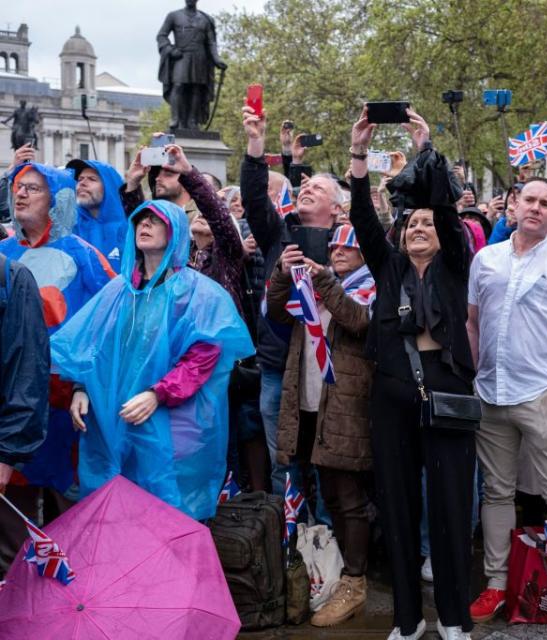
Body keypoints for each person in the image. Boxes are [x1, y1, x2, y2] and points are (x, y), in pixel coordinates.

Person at [350, 106, 475, 640]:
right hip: (394, 395)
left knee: (449, 509)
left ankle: (452, 615)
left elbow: (445, 207)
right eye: (412, 224)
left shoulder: (455, 265)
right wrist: (358, 153)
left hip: (447, 391)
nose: (420, 228)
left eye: (427, 224)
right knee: (398, 507)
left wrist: (425, 147)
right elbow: (360, 217)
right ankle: (407, 618)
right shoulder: (389, 266)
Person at [50, 200, 253, 520]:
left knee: (164, 507)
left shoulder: (198, 293)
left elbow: (201, 358)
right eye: (139, 220)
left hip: (172, 420)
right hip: (115, 417)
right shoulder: (118, 291)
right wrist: (82, 387)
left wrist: (157, 393)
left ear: (174, 232)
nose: (144, 225)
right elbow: (94, 345)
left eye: (154, 221)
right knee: (114, 506)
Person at [467, 173, 547, 636]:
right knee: (496, 492)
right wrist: (476, 374)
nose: (537, 208)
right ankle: (498, 581)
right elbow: (472, 322)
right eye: (531, 200)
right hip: (491, 394)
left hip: (542, 394)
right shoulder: (485, 259)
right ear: (514, 206)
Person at [265, 225, 376, 628]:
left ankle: (355, 582)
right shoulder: (313, 282)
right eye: (334, 244)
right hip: (310, 403)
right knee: (325, 492)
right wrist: (282, 272)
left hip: (345, 406)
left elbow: (359, 320)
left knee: (348, 498)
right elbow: (275, 310)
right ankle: (334, 572)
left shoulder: (370, 284)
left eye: (350, 243)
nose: (339, 249)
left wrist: (325, 279)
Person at [241, 104, 342, 496]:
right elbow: (252, 198)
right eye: (304, 186)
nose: (306, 190)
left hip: (327, 370)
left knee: (325, 461)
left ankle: (325, 540)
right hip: (276, 367)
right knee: (282, 459)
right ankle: (289, 534)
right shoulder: (278, 232)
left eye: (317, 188)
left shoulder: (349, 244)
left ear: (336, 208)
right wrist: (255, 143)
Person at [0, 162, 115, 498]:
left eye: (33, 188)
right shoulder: (4, 256)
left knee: (66, 510)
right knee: (14, 514)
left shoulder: (85, 257)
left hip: (67, 406)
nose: (20, 194)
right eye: (19, 186)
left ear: (56, 199)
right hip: (12, 404)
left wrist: (85, 384)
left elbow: (109, 325)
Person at [122, 143, 245, 311]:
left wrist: (188, 172)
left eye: (206, 213)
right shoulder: (178, 255)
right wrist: (132, 183)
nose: (202, 214)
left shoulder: (226, 255)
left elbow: (218, 216)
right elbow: (143, 224)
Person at [0, 255, 50, 577]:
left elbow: (27, 372)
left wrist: (5, 455)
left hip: (2, 442)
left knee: (10, 558)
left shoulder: (13, 278)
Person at [156, 0, 228, 130]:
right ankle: (175, 119)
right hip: (181, 56)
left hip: (200, 58)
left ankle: (192, 121)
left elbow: (211, 42)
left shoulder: (206, 19)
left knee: (197, 88)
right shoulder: (174, 15)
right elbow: (161, 36)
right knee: (178, 85)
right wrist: (171, 50)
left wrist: (217, 59)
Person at [67, 159, 128, 272]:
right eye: (80, 179)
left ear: (109, 187)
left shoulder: (130, 229)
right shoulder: (69, 227)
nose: (82, 183)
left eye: (92, 179)